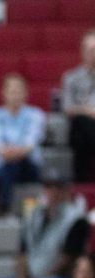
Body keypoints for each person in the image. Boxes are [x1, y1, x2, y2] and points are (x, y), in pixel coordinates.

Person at [2, 169, 89, 278]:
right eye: (49, 187)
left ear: (66, 191)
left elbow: (68, 259)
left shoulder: (76, 219)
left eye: (58, 188)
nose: (53, 192)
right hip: (33, 276)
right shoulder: (33, 215)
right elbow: (22, 252)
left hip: (61, 277)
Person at [0, 74, 45, 215]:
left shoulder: (36, 115)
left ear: (26, 94)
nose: (15, 95)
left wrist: (12, 153)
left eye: (19, 91)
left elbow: (29, 145)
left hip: (28, 168)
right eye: (12, 91)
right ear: (4, 93)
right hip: (0, 168)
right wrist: (9, 153)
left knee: (14, 166)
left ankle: (5, 208)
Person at [62, 29, 95, 184]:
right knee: (81, 123)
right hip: (81, 126)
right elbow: (67, 107)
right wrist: (89, 112)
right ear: (82, 51)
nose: (92, 53)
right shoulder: (71, 77)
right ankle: (80, 183)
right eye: (90, 49)